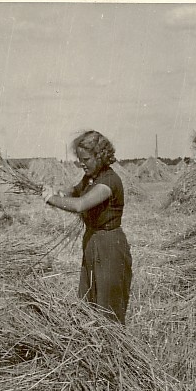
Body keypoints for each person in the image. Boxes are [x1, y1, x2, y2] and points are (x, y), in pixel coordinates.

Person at [42, 130, 132, 324]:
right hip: (92, 242)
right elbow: (74, 191)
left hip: (109, 245)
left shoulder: (109, 181)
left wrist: (52, 199)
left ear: (99, 156)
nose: (81, 163)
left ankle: (113, 351)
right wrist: (57, 192)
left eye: (86, 159)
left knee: (108, 308)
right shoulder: (91, 177)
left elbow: (80, 204)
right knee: (88, 302)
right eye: (79, 159)